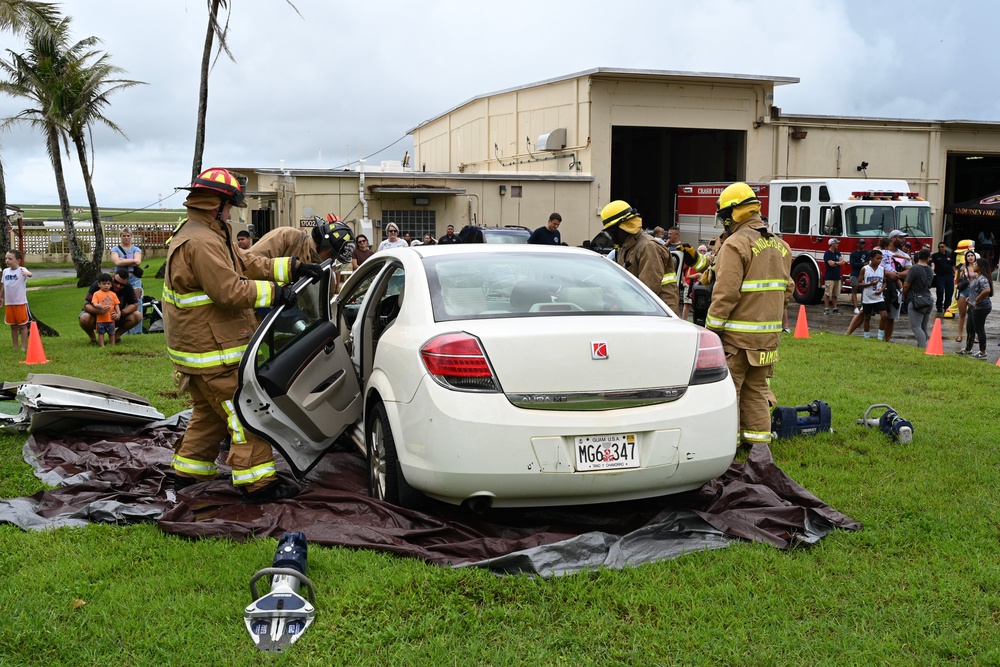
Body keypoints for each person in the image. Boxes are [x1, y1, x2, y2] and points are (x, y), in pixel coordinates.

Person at [164, 167, 323, 504]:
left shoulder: (205, 231)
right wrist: (275, 294)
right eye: (230, 204)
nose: (232, 211)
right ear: (217, 203)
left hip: (198, 349)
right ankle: (257, 484)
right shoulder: (201, 241)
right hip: (213, 349)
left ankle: (188, 472)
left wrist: (292, 268)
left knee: (209, 415)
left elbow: (245, 263)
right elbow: (229, 291)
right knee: (245, 412)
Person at [705, 183, 792, 449]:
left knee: (729, 393)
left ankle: (725, 447)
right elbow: (787, 289)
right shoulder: (781, 245)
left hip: (737, 340)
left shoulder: (736, 243)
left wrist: (712, 328)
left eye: (725, 216)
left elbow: (726, 294)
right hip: (767, 340)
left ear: (733, 214)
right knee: (756, 392)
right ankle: (757, 448)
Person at [79, 268, 142, 344]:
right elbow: (86, 305)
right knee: (84, 318)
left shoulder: (128, 287)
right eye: (116, 282)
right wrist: (98, 311)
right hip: (97, 317)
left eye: (122, 284)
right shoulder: (99, 284)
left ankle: (116, 336)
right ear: (113, 277)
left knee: (137, 315)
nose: (118, 286)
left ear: (126, 282)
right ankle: (92, 338)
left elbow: (134, 305)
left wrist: (120, 313)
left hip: (114, 317)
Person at [957, 256, 994, 358]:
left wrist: (977, 300)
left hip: (981, 307)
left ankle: (983, 351)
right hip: (973, 306)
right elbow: (977, 290)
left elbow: (987, 290)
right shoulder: (978, 277)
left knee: (979, 329)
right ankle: (968, 349)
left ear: (981, 267)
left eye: (976, 264)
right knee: (970, 328)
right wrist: (971, 297)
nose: (974, 264)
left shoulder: (983, 278)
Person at [846, 248, 887, 340]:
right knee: (867, 317)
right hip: (868, 297)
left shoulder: (882, 269)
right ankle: (866, 336)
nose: (879, 261)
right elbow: (859, 284)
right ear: (871, 258)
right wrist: (870, 284)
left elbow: (884, 282)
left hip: (878, 297)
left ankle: (880, 337)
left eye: (881, 259)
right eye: (877, 258)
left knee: (884, 315)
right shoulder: (865, 269)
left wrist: (882, 290)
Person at [111, 229, 143, 335]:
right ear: (120, 236)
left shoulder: (136, 249)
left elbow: (138, 261)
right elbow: (116, 261)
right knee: (121, 303)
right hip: (120, 280)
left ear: (131, 236)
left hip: (134, 280)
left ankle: (137, 331)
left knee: (137, 302)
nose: (126, 238)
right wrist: (131, 261)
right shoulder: (115, 249)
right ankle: (123, 331)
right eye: (124, 236)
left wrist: (122, 260)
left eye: (128, 235)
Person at [900, 249, 935, 348]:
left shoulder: (914, 268)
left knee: (916, 327)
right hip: (929, 299)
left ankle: (923, 349)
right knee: (924, 327)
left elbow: (907, 284)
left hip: (917, 299)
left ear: (918, 257)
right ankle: (921, 346)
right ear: (928, 258)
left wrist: (903, 294)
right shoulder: (929, 270)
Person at [881, 230, 911, 343]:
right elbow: (872, 266)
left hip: (894, 288)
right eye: (901, 237)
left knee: (891, 317)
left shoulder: (904, 255)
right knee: (865, 312)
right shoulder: (880, 251)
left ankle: (886, 340)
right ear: (892, 238)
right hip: (880, 286)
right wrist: (888, 274)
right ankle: (849, 333)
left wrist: (896, 275)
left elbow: (909, 271)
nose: (904, 240)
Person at [1, 249, 32, 351]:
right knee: (13, 326)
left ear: (18, 260)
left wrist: (26, 273)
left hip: (20, 303)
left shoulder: (22, 270)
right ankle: (15, 346)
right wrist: (1, 297)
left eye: (10, 258)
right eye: (6, 258)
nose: (7, 260)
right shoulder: (5, 271)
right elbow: (3, 286)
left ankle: (23, 346)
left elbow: (30, 274)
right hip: (9, 303)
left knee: (22, 326)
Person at [89, 273, 120, 347]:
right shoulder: (96, 294)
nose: (106, 285)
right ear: (99, 284)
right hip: (101, 319)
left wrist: (118, 313)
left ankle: (113, 344)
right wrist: (99, 306)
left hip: (111, 318)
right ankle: (102, 346)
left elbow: (116, 304)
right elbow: (94, 303)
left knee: (112, 333)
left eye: (108, 283)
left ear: (111, 285)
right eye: (104, 283)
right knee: (101, 333)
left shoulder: (113, 294)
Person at [954, 249, 978, 343]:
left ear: (975, 257)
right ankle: (959, 335)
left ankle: (974, 336)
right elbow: (957, 280)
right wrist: (960, 272)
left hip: (975, 292)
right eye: (968, 256)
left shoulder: (978, 266)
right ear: (966, 258)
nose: (970, 257)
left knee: (974, 315)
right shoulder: (963, 267)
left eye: (972, 255)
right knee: (962, 314)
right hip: (964, 291)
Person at [822, 238, 847, 314]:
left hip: (837, 276)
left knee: (835, 294)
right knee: (827, 293)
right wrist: (838, 263)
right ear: (832, 244)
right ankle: (826, 309)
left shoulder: (838, 253)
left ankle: (835, 308)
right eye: (836, 243)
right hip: (829, 277)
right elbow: (830, 264)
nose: (837, 245)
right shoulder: (827, 253)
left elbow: (842, 262)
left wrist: (835, 263)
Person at [930, 241, 955, 314]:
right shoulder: (935, 256)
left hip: (949, 276)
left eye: (942, 247)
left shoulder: (949, 255)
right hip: (940, 276)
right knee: (940, 291)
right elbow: (932, 264)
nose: (940, 248)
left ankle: (947, 306)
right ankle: (939, 307)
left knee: (949, 292)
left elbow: (953, 265)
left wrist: (955, 274)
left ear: (945, 247)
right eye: (939, 247)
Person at [848, 239, 870, 314]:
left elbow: (868, 263)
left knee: (864, 291)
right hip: (855, 274)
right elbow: (853, 264)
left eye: (863, 243)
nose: (862, 245)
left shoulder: (867, 253)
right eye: (861, 243)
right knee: (854, 290)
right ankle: (855, 307)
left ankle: (863, 306)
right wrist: (862, 264)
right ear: (857, 244)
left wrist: (860, 264)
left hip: (865, 274)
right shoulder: (853, 254)